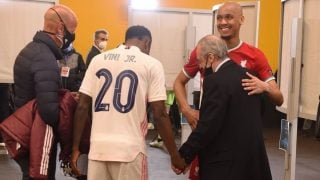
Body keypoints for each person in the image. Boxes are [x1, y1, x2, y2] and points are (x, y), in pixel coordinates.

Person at [71, 25, 186, 179]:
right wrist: (174, 155)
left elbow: (82, 107)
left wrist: (75, 148)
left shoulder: (97, 60)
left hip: (98, 149)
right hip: (130, 151)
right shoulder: (152, 64)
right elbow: (160, 115)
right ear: (147, 43)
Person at [174, 1, 283, 130]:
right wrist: (187, 111)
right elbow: (178, 82)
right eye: (219, 18)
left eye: (229, 17)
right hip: (210, 129)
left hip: (240, 133)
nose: (223, 22)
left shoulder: (255, 55)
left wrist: (264, 86)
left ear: (241, 20)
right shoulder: (204, 50)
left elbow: (279, 98)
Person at [178, 34, 272, 180]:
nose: (200, 67)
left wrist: (183, 155)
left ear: (210, 57)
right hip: (253, 163)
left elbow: (207, 126)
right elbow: (259, 112)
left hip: (225, 166)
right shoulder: (250, 77)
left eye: (200, 61)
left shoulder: (214, 81)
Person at [13, 5, 78, 179]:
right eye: (71, 31)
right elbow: (49, 111)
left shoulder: (32, 50)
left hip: (27, 131)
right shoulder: (44, 57)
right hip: (38, 136)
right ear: (60, 28)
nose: (72, 37)